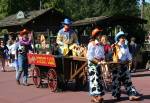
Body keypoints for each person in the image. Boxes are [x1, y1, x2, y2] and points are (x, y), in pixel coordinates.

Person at [111, 31, 140, 101]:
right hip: (117, 66)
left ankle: (131, 95)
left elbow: (128, 55)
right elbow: (116, 55)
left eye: (124, 37)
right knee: (116, 81)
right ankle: (116, 95)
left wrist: (130, 60)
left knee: (128, 81)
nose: (123, 39)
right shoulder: (115, 46)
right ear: (118, 39)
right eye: (122, 38)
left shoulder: (126, 46)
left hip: (124, 65)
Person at [86, 28, 105, 103]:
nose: (100, 36)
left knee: (99, 80)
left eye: (100, 34)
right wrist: (97, 62)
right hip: (92, 64)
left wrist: (103, 60)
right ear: (95, 36)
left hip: (99, 64)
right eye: (98, 35)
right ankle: (96, 96)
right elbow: (89, 57)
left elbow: (102, 55)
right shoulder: (91, 44)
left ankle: (96, 96)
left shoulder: (101, 45)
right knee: (94, 79)